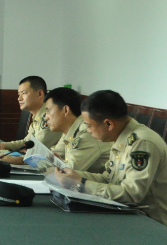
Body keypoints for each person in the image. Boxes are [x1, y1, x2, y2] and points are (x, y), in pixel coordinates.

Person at [59, 90, 167, 226]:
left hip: (152, 223)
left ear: (109, 124)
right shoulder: (121, 137)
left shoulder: (142, 143)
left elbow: (131, 195)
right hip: (127, 214)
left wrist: (81, 183)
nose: (88, 131)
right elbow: (108, 179)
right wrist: (74, 176)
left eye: (89, 126)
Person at [0, 76, 62, 164]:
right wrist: (4, 145)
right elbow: (27, 142)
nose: (19, 98)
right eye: (19, 94)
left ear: (39, 94)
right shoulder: (37, 116)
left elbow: (37, 148)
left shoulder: (49, 117)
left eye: (24, 93)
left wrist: (15, 160)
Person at [45, 87, 111, 172]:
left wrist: (54, 162)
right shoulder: (69, 129)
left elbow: (70, 170)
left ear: (66, 110)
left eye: (48, 111)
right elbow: (54, 154)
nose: (46, 117)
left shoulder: (87, 131)